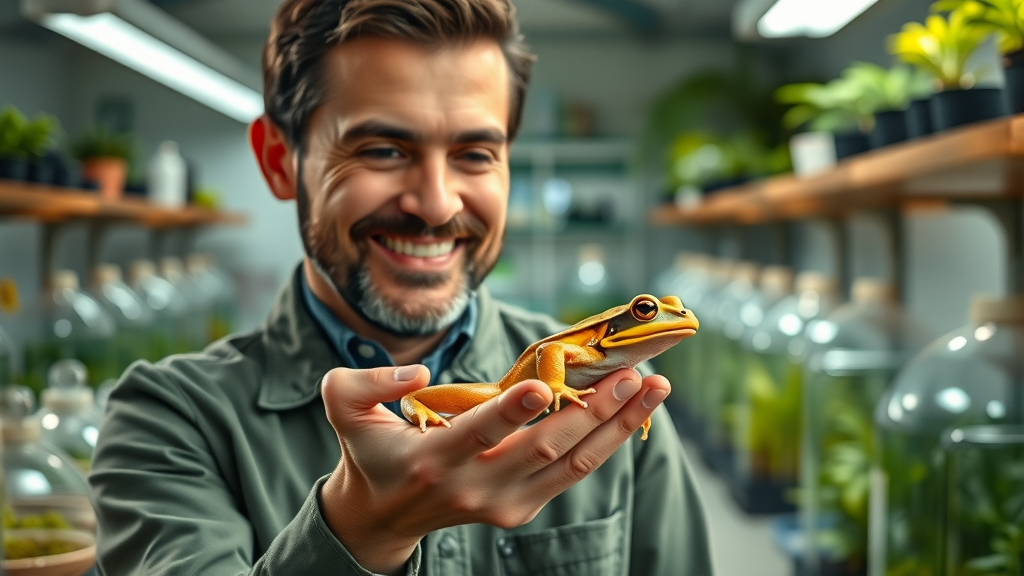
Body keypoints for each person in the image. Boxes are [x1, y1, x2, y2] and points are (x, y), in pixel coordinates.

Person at [89, 0, 715, 574]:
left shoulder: (618, 400)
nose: (437, 206)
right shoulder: (166, 418)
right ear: (282, 160)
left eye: (474, 154)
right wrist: (356, 533)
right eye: (383, 149)